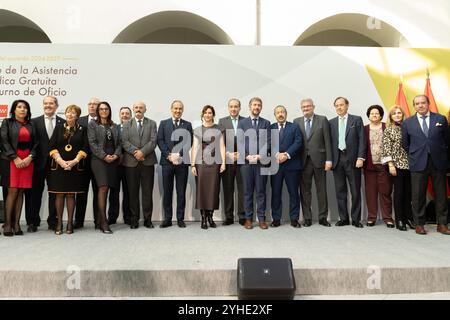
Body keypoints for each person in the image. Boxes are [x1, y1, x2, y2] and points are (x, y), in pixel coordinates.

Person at [401, 95, 450, 235]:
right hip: (418, 162)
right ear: (414, 106)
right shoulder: (408, 123)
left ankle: (442, 224)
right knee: (418, 195)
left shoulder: (440, 119)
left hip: (438, 162)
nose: (420, 105)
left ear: (428, 104)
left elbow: (447, 140)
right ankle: (419, 224)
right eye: (417, 103)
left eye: (423, 103)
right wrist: (417, 153)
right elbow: (406, 144)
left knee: (441, 195)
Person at [24, 96, 63, 232]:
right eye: (46, 103)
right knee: (34, 194)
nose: (48, 105)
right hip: (37, 164)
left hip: (56, 165)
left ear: (56, 106)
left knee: (54, 194)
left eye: (51, 103)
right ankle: (32, 222)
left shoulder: (63, 123)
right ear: (43, 105)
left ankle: (53, 221)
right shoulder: (34, 122)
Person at [47, 105, 88, 235]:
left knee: (71, 194)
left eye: (73, 113)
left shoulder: (82, 129)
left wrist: (74, 161)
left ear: (77, 115)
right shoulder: (59, 128)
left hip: (75, 167)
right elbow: (51, 146)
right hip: (59, 166)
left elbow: (85, 147)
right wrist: (60, 161)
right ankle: (59, 223)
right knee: (59, 194)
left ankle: (70, 222)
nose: (70, 114)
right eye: (68, 112)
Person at [0, 100, 38, 236]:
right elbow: (3, 141)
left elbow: (36, 143)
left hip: (27, 161)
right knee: (12, 191)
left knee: (21, 191)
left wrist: (30, 157)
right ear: (14, 110)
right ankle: (8, 224)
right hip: (11, 160)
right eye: (19, 107)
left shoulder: (31, 125)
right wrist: (15, 157)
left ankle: (17, 224)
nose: (23, 110)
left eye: (25, 108)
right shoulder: (7, 123)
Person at [294, 98, 332, 227]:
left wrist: (329, 160)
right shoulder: (296, 121)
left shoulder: (322, 120)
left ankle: (322, 218)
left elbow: (328, 141)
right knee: (305, 191)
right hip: (303, 161)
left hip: (320, 160)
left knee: (321, 190)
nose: (306, 108)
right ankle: (307, 218)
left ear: (313, 107)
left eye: (308, 106)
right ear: (301, 108)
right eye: (303, 107)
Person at [329, 97, 366, 228]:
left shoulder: (356, 120)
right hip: (337, 160)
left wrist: (361, 157)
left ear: (347, 105)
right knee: (340, 191)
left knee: (355, 191)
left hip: (353, 160)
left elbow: (362, 139)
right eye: (336, 105)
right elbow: (329, 143)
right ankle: (343, 218)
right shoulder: (331, 122)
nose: (339, 107)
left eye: (341, 105)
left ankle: (356, 219)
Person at [121, 101, 157, 229]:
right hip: (131, 163)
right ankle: (134, 219)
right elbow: (124, 142)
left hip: (148, 162)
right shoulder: (126, 124)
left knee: (147, 192)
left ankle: (148, 220)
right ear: (133, 109)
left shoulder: (152, 123)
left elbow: (153, 142)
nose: (138, 109)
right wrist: (136, 152)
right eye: (136, 107)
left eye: (141, 108)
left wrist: (143, 152)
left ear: (145, 109)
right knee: (132, 192)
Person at [157, 100, 193, 228]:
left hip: (182, 163)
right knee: (167, 191)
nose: (178, 111)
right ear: (171, 109)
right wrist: (169, 155)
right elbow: (160, 140)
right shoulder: (163, 123)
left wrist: (179, 154)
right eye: (175, 108)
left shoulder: (187, 125)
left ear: (182, 110)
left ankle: (180, 218)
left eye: (180, 109)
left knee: (181, 191)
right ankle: (167, 218)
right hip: (167, 163)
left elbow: (189, 142)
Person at [237, 97, 271, 230]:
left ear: (261, 108)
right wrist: (247, 156)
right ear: (249, 106)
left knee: (261, 191)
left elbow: (269, 142)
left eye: (259, 105)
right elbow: (239, 142)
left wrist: (259, 156)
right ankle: (248, 219)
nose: (256, 107)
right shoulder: (242, 123)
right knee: (247, 192)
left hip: (261, 163)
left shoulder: (266, 123)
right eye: (254, 105)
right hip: (246, 164)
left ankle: (262, 219)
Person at [88, 101, 121, 234]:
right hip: (99, 161)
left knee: (109, 189)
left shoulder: (114, 125)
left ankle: (101, 221)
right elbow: (92, 143)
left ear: (109, 110)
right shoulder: (93, 124)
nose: (103, 111)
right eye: (101, 109)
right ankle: (103, 221)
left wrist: (115, 155)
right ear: (97, 111)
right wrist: (104, 156)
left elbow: (119, 143)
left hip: (112, 161)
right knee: (103, 188)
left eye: (106, 109)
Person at [191, 105, 226, 229]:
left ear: (213, 115)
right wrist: (193, 164)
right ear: (202, 115)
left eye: (210, 113)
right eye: (205, 113)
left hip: (215, 163)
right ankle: (203, 218)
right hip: (201, 163)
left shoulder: (219, 129)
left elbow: (222, 146)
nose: (208, 115)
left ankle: (210, 217)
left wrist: (223, 163)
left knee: (213, 190)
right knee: (202, 191)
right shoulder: (197, 130)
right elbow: (195, 147)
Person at [381, 106, 414, 231]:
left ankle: (408, 218)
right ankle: (399, 219)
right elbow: (386, 148)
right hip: (396, 165)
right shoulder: (389, 130)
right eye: (394, 113)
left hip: (411, 165)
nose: (397, 115)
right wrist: (390, 164)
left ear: (403, 114)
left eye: (399, 113)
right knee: (399, 193)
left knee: (408, 193)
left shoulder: (409, 128)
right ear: (390, 116)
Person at [269, 105, 302, 228]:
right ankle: (276, 219)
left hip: (292, 165)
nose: (280, 114)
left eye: (282, 112)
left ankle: (294, 219)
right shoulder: (270, 128)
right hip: (276, 165)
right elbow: (267, 143)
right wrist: (277, 154)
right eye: (278, 112)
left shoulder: (294, 127)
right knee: (276, 193)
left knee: (293, 193)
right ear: (275, 115)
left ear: (286, 114)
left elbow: (298, 142)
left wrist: (287, 155)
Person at [363, 105, 394, 228]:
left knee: (385, 192)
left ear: (381, 115)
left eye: (377, 113)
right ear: (369, 116)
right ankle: (371, 217)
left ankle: (388, 218)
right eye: (372, 113)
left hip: (384, 165)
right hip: (369, 166)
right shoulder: (364, 129)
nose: (374, 115)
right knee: (370, 193)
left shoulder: (387, 127)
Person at [218, 98, 246, 225]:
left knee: (242, 189)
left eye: (236, 106)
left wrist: (242, 153)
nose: (234, 109)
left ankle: (242, 216)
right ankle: (228, 216)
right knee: (228, 189)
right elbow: (219, 141)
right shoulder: (222, 121)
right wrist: (227, 154)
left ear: (240, 108)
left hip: (242, 160)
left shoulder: (246, 121)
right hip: (227, 160)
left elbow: (249, 141)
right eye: (231, 106)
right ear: (228, 108)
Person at [75, 97, 100, 229]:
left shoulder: (105, 121)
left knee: (98, 193)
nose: (91, 106)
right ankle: (78, 221)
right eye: (89, 104)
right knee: (81, 193)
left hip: (99, 163)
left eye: (95, 104)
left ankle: (98, 221)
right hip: (82, 163)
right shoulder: (79, 121)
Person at [108, 106, 132, 225]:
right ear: (119, 115)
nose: (125, 115)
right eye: (122, 113)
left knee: (128, 192)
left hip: (129, 164)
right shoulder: (113, 128)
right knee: (114, 192)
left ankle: (127, 217)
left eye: (127, 113)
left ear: (130, 115)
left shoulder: (134, 129)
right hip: (115, 165)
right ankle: (112, 217)